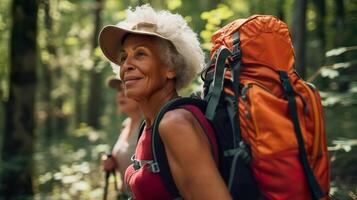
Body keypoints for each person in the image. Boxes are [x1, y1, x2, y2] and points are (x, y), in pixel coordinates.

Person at [99, 4, 231, 200]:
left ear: (171, 68)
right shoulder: (149, 125)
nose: (126, 65)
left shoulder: (175, 124)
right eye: (123, 57)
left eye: (140, 54)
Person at [101, 76, 142, 198]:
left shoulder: (150, 124)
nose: (120, 94)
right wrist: (111, 160)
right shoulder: (126, 124)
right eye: (119, 90)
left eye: (126, 87)